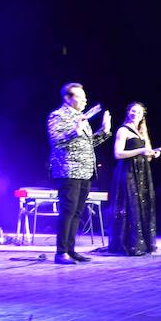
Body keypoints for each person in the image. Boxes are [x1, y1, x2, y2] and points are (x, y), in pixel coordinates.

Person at [46, 82, 111, 264]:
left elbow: (87, 145)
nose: (84, 101)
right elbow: (56, 141)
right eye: (80, 97)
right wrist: (75, 130)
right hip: (68, 169)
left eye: (85, 98)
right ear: (68, 98)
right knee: (67, 210)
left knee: (77, 212)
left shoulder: (81, 118)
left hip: (85, 171)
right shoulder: (57, 116)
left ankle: (71, 250)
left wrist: (104, 132)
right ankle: (61, 253)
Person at [106, 101, 160, 255]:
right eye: (132, 111)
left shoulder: (142, 132)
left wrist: (153, 153)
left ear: (143, 115)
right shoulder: (123, 130)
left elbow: (147, 156)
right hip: (128, 171)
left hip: (142, 172)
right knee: (129, 205)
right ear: (128, 112)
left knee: (141, 205)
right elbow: (118, 154)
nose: (135, 114)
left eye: (138, 112)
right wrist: (140, 150)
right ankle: (128, 243)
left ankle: (142, 243)